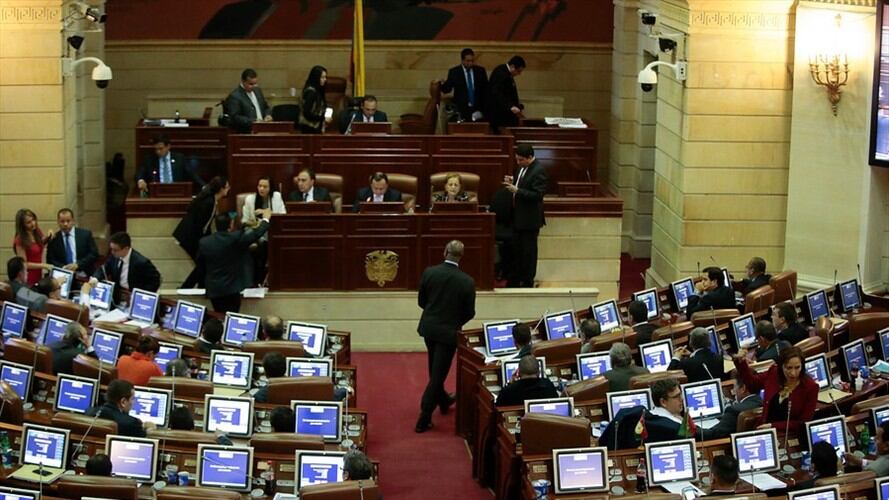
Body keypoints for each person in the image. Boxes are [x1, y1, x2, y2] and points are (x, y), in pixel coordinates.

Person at [415, 240, 476, 433]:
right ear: (461, 256)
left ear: (445, 252)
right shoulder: (467, 281)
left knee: (435, 370)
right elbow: (470, 312)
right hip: (449, 332)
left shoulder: (430, 272)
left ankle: (443, 400)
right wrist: (455, 322)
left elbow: (422, 301)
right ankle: (424, 416)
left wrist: (434, 314)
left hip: (429, 329)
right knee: (438, 374)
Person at [733, 346, 818, 435]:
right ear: (781, 366)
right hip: (764, 430)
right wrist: (741, 362)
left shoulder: (811, 387)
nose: (793, 373)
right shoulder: (774, 373)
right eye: (788, 368)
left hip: (791, 435)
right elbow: (753, 385)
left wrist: (773, 426)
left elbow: (802, 423)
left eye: (797, 367)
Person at [198, 212, 271, 313]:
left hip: (214, 289)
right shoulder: (235, 238)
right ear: (231, 224)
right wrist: (266, 220)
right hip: (231, 288)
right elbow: (256, 233)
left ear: (215, 225)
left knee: (219, 315)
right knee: (231, 317)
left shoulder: (204, 242)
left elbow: (200, 265)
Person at [173, 176, 230, 288]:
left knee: (203, 264)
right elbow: (200, 225)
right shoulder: (209, 202)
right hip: (189, 237)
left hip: (193, 236)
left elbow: (206, 226)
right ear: (221, 189)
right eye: (227, 187)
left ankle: (199, 287)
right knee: (202, 264)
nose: (229, 189)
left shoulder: (212, 200)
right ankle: (186, 288)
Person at [503, 143, 547, 287]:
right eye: (517, 159)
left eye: (521, 160)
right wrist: (512, 180)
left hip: (529, 220)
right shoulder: (522, 167)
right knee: (517, 250)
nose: (518, 162)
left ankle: (527, 281)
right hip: (518, 218)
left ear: (530, 157)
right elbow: (521, 183)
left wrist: (517, 190)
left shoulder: (538, 170)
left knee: (528, 253)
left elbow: (538, 195)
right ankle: (516, 278)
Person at [135, 134, 205, 194]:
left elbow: (192, 174)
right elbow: (139, 173)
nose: (158, 152)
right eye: (156, 149)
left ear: (168, 146)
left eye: (160, 148)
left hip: (177, 192)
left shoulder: (179, 158)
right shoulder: (149, 159)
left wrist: (203, 186)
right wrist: (140, 180)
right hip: (157, 194)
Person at [95, 232, 161, 293]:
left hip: (133, 295)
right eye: (111, 249)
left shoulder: (141, 262)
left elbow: (156, 279)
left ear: (126, 248)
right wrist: (95, 278)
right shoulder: (114, 257)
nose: (112, 252)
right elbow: (103, 269)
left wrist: (142, 294)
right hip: (118, 293)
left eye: (115, 250)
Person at [704, 374, 763, 440]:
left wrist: (693, 428)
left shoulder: (734, 410)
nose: (734, 391)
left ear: (743, 388)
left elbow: (713, 434)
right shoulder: (764, 405)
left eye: (734, 387)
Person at [45, 208, 99, 276]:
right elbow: (50, 260)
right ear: (58, 222)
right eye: (62, 221)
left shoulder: (85, 235)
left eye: (68, 221)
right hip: (63, 275)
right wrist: (63, 267)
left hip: (83, 273)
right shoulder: (54, 239)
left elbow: (94, 254)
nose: (65, 224)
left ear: (73, 221)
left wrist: (78, 264)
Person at [440, 48, 488, 122]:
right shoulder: (454, 72)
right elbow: (447, 89)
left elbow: (486, 90)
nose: (470, 63)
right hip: (461, 111)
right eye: (468, 61)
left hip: (478, 111)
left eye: (472, 61)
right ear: (462, 60)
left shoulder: (480, 71)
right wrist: (441, 84)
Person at [223, 68, 271, 133]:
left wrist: (268, 115)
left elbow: (265, 107)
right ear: (243, 81)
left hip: (262, 130)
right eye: (251, 84)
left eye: (255, 83)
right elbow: (235, 117)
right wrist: (253, 121)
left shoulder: (258, 91)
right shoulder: (235, 96)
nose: (254, 86)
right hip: (246, 132)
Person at [13, 208, 52, 285]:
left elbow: (40, 244)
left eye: (33, 219)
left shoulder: (36, 231)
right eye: (29, 222)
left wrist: (49, 236)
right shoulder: (19, 240)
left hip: (38, 274)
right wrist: (43, 265)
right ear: (22, 225)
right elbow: (24, 264)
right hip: (28, 276)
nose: (33, 223)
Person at [486, 55, 525, 133]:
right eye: (518, 71)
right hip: (499, 116)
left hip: (506, 114)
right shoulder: (500, 73)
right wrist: (510, 106)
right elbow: (497, 93)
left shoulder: (506, 72)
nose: (519, 74)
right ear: (512, 66)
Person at [644, 377, 689, 442]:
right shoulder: (677, 427)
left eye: (680, 394)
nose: (682, 399)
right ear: (663, 402)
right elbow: (702, 434)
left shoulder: (649, 417)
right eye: (676, 396)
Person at [299, 65, 333, 134]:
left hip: (316, 127)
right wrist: (323, 118)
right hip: (309, 129)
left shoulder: (318, 91)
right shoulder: (311, 93)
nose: (325, 79)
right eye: (322, 77)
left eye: (325, 77)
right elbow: (307, 113)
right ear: (316, 78)